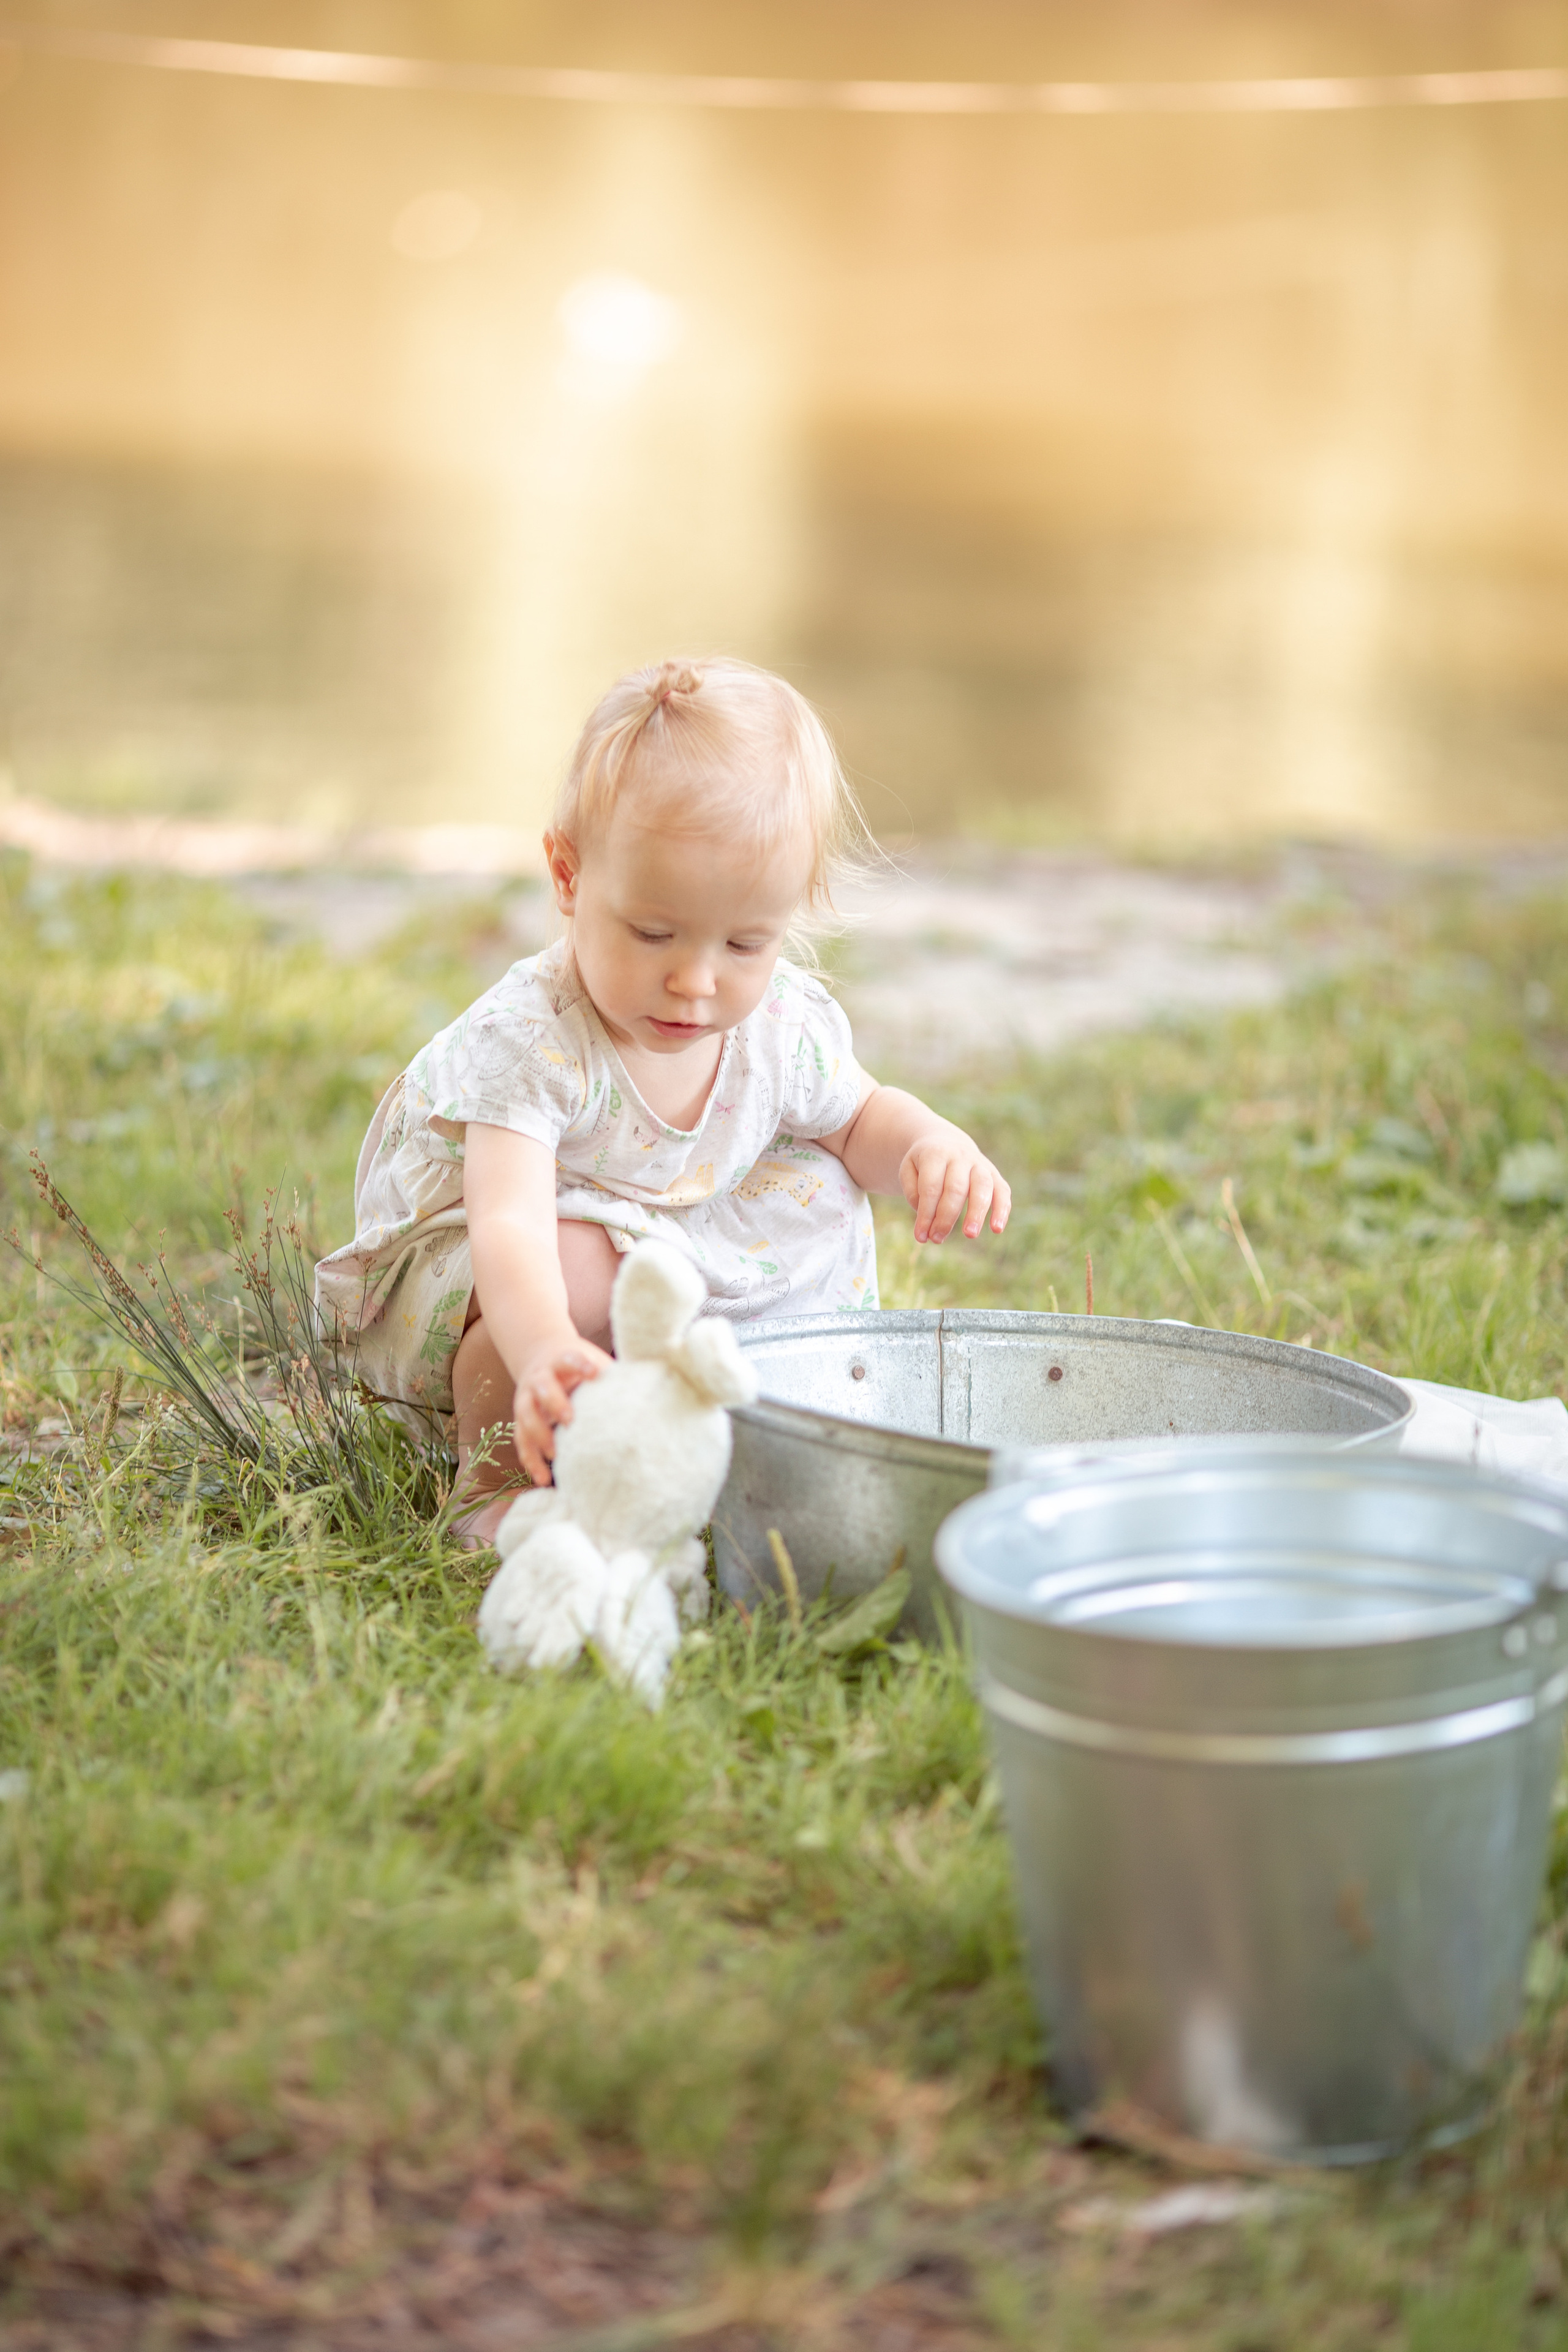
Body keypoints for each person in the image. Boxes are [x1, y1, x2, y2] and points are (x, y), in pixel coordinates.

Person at [315, 657, 1011, 1547]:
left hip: (664, 1230)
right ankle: (493, 1487)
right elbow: (509, 1225)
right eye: (653, 933)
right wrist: (544, 1349)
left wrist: (926, 1145)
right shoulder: (531, 1041)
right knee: (578, 1263)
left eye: (745, 944)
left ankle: (736, 1424)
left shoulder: (776, 1024)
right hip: (497, 1283)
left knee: (825, 1188)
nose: (696, 981)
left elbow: (858, 1119)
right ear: (568, 877)